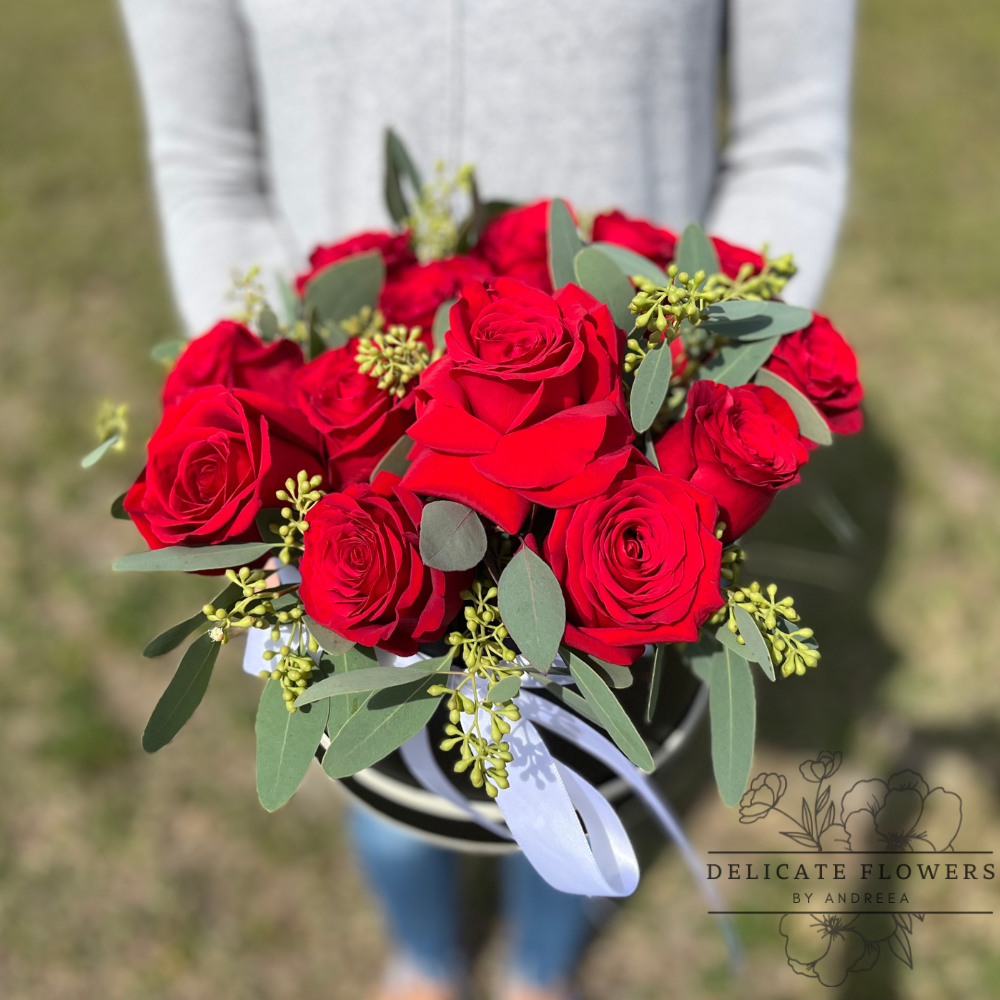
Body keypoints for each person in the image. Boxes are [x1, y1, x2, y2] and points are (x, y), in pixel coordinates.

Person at [117, 3, 856, 998]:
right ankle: (424, 958)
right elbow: (207, 162)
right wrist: (283, 398)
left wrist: (706, 362)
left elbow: (789, 135)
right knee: (389, 798)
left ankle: (542, 968)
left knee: (578, 783)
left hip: (638, 434)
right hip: (341, 464)